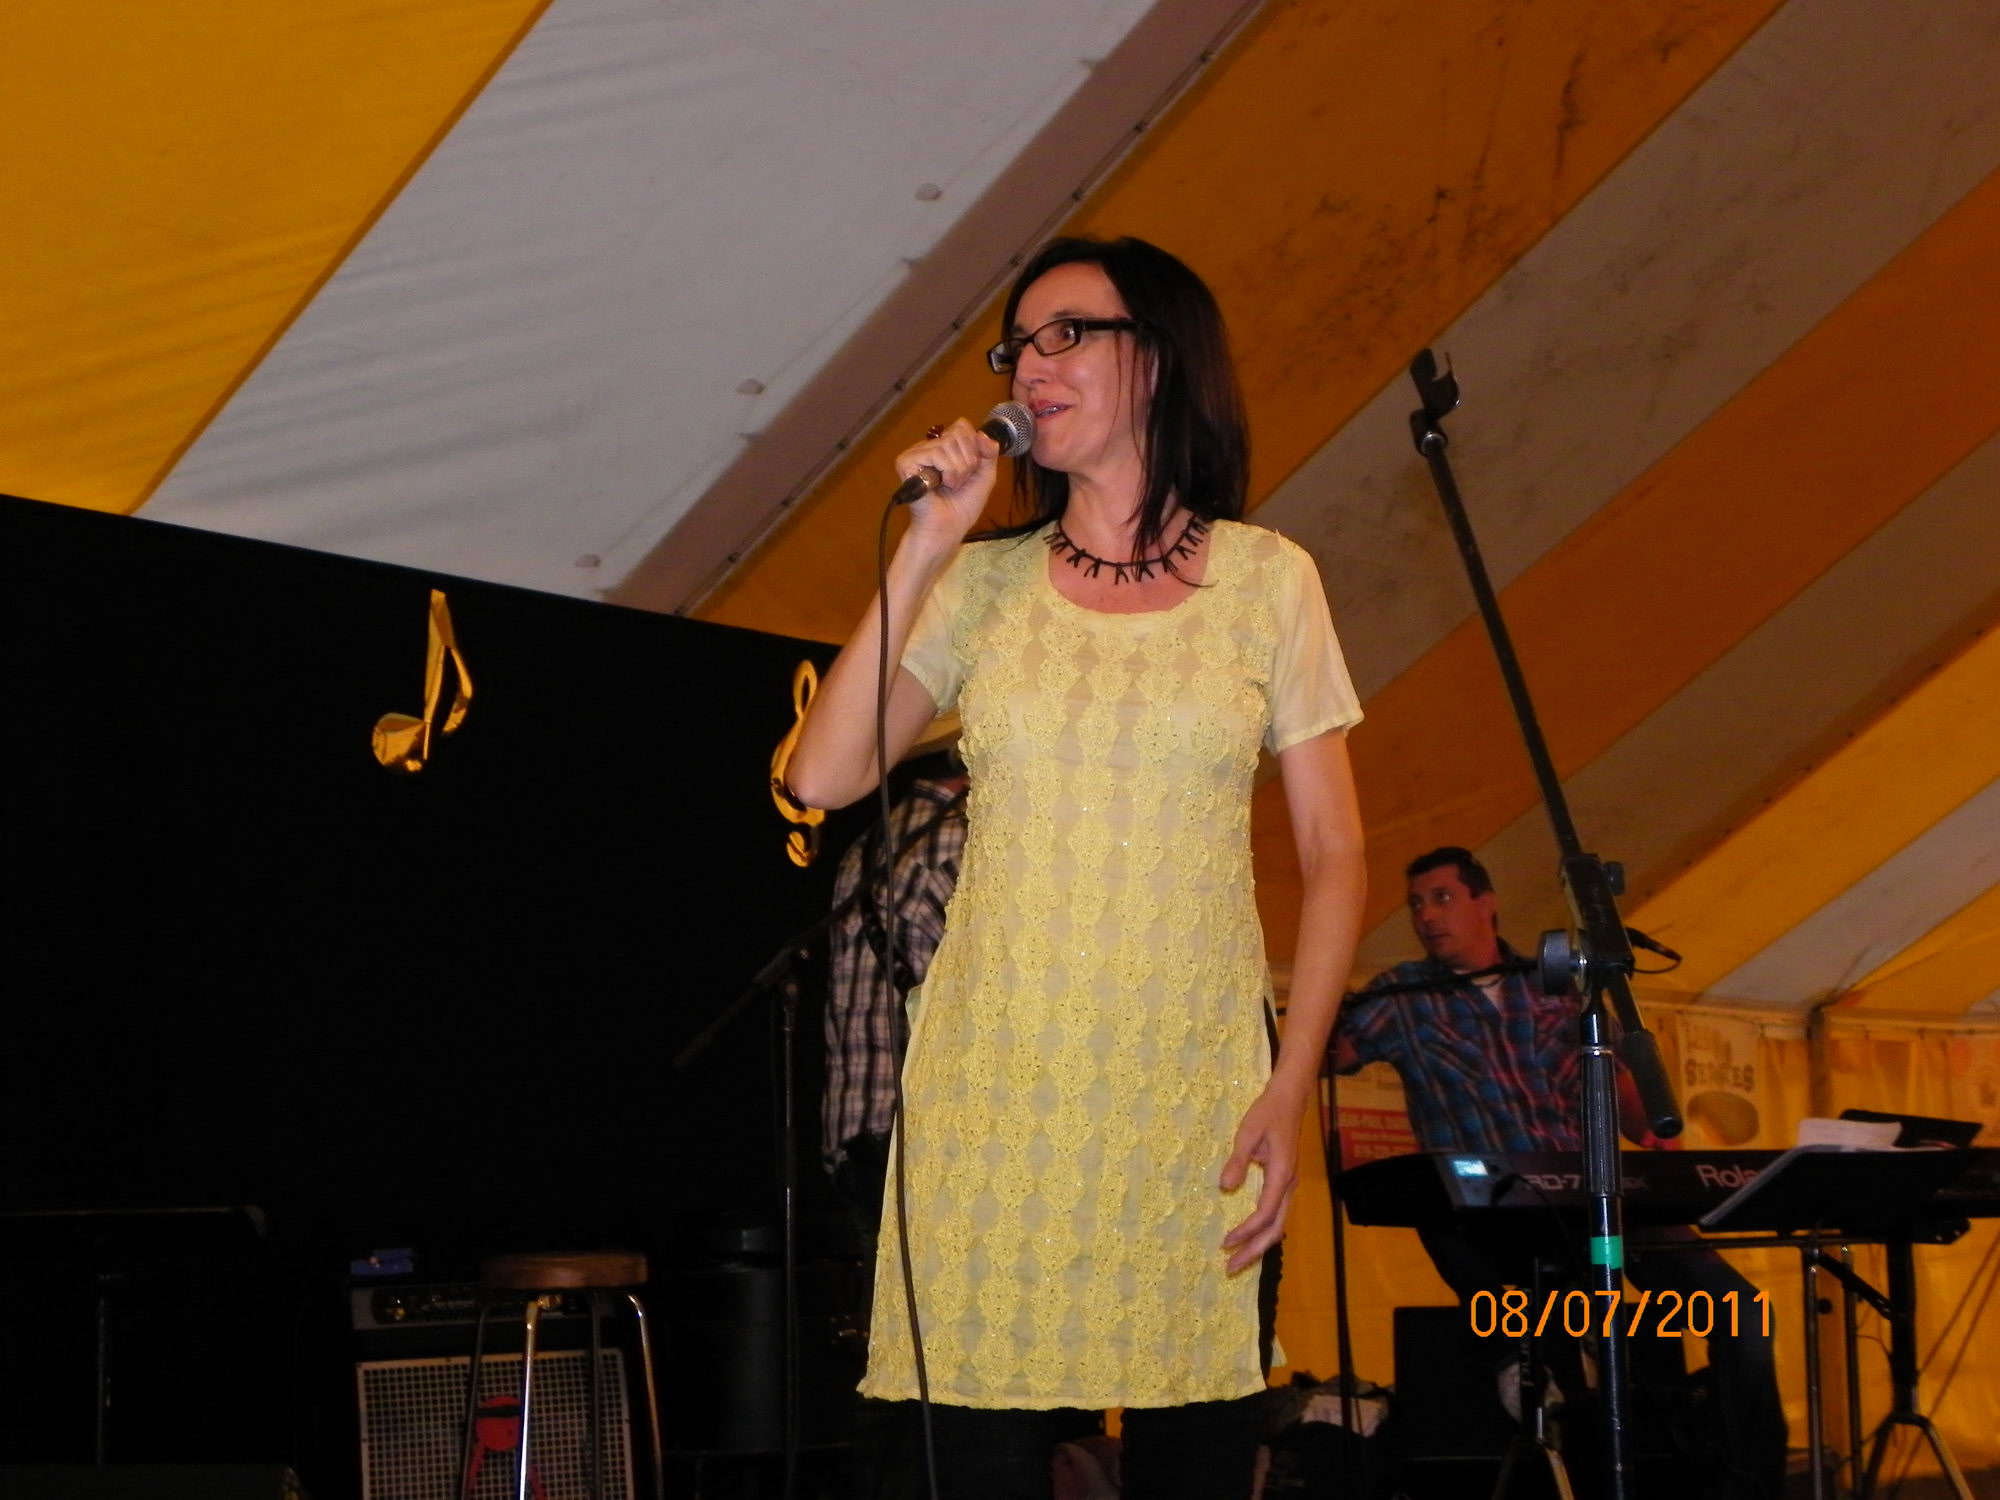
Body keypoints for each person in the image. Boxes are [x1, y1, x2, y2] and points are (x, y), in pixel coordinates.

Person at [786, 235, 1368, 1500]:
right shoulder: (982, 581)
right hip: (995, 1103)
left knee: (1195, 1456)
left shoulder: (1269, 581)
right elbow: (820, 776)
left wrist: (1288, 1086)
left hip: (1191, 1099)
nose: (1028, 368)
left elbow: (1333, 856)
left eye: (1066, 335)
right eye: (1016, 348)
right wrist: (926, 543)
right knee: (969, 1461)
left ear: (1156, 357)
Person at [1333, 847, 1787, 1500]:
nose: (1426, 915)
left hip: (1600, 1195)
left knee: (1739, 1312)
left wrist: (1649, 1110)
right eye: (1416, 904)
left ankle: (1750, 1485)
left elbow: (1627, 1100)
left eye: (1442, 897)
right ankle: (1555, 1418)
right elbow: (1331, 1053)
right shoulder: (1402, 996)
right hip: (1503, 1216)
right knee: (1564, 1374)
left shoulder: (1555, 984)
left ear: (1485, 902)